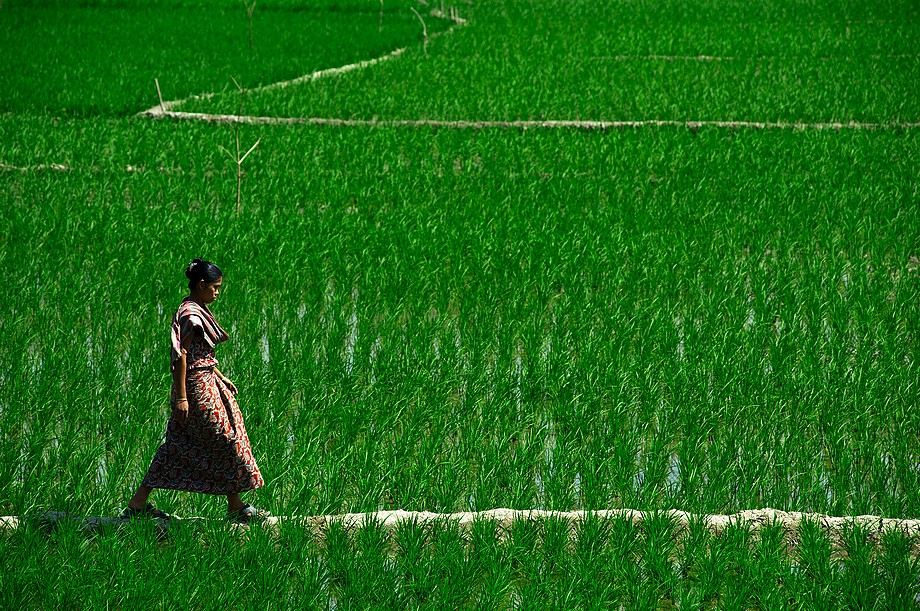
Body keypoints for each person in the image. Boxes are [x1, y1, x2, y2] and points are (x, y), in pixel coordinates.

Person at [124, 258, 268, 523]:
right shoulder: (191, 314)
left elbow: (202, 355)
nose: (217, 292)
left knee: (180, 444)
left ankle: (137, 504)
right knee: (225, 440)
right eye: (214, 287)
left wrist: (220, 377)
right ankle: (235, 505)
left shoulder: (197, 307)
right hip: (196, 389)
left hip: (207, 382)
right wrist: (181, 397)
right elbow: (181, 357)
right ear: (201, 285)